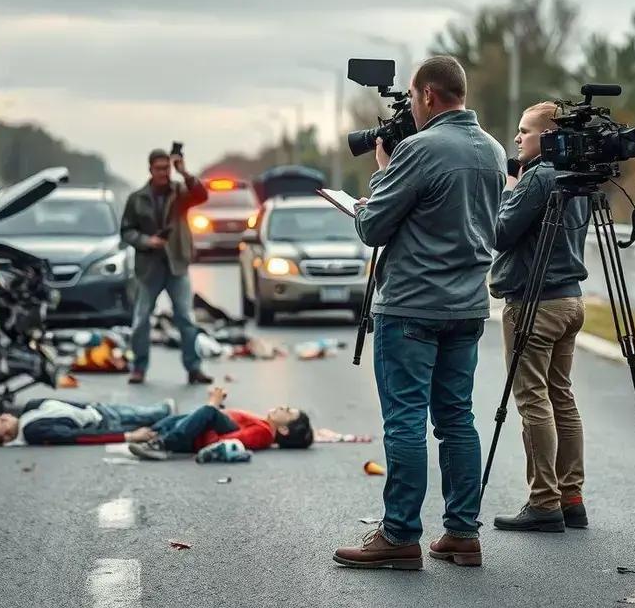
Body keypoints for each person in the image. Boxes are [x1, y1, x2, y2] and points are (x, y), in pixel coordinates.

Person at [333, 55, 505, 571]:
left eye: (412, 97)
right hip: (468, 304)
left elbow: (373, 228)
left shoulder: (418, 149)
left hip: (411, 304)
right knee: (457, 419)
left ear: (429, 95)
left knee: (405, 420)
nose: (410, 105)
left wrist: (379, 180)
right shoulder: (494, 150)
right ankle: (461, 533)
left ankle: (401, 534)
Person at [489, 101, 591, 533]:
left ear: (548, 137)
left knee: (533, 400)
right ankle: (571, 496)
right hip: (570, 302)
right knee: (561, 396)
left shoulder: (539, 177)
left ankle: (544, 502)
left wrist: (511, 188)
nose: (517, 138)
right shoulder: (576, 176)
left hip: (535, 302)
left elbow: (499, 233)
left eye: (525, 131)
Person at [121, 148, 213, 385]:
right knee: (141, 320)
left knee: (186, 318)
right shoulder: (137, 198)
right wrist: (147, 241)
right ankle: (139, 368)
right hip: (149, 267)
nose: (164, 173)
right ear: (150, 169)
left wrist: (184, 172)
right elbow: (127, 231)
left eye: (167, 168)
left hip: (177, 265)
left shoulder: (180, 192)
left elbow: (201, 196)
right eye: (159, 168)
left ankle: (194, 368)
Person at [127, 386, 314, 460]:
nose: (282, 407)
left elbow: (231, 440)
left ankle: (161, 444)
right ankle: (153, 433)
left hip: (197, 439)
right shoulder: (263, 424)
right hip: (195, 431)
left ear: (283, 429)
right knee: (200, 413)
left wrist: (213, 409)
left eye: (287, 411)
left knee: (208, 411)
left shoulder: (264, 433)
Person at [0, 399, 171, 446]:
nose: (3, 416)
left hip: (99, 410)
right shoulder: (33, 430)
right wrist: (127, 436)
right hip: (105, 423)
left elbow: (65, 404)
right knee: (160, 419)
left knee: (158, 413)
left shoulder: (29, 409)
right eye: (1, 423)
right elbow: (76, 436)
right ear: (8, 437)